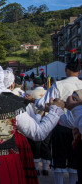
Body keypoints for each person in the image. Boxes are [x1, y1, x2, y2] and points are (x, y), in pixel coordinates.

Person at [32, 53, 82, 184]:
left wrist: (35, 101)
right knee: (75, 160)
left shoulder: (58, 84)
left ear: (66, 69)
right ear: (79, 71)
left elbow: (42, 103)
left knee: (59, 158)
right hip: (78, 127)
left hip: (61, 124)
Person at [26, 77, 50, 177]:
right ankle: (45, 168)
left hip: (33, 120)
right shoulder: (48, 92)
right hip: (47, 120)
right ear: (43, 85)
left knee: (35, 144)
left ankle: (36, 168)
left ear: (34, 84)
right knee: (46, 144)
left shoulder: (28, 92)